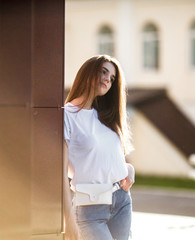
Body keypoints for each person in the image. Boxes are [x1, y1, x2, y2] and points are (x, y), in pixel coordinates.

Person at [63, 55, 135, 240]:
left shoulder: (105, 116)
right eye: (104, 72)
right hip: (89, 209)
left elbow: (104, 157)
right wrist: (68, 219)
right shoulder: (67, 115)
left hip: (121, 201)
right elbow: (59, 174)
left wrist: (128, 169)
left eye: (111, 78)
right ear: (88, 72)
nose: (107, 79)